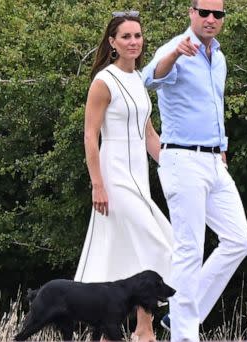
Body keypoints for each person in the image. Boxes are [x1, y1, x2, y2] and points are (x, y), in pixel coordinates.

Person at [142, 0, 247, 341]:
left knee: (239, 240)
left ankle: (179, 316)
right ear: (191, 13)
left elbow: (213, 106)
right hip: (182, 160)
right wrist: (175, 54)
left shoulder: (218, 58)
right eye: (203, 12)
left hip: (213, 160)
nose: (210, 19)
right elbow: (149, 78)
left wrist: (221, 146)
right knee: (190, 249)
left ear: (222, 19)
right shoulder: (176, 48)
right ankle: (184, 336)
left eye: (217, 14)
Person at [74, 10, 173, 342]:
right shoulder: (104, 81)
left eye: (138, 35)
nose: (134, 41)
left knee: (123, 258)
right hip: (114, 178)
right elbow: (90, 136)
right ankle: (144, 330)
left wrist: (176, 168)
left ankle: (114, 332)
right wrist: (97, 185)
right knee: (161, 246)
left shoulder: (138, 81)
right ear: (112, 42)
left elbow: (149, 136)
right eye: (126, 36)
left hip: (139, 178)